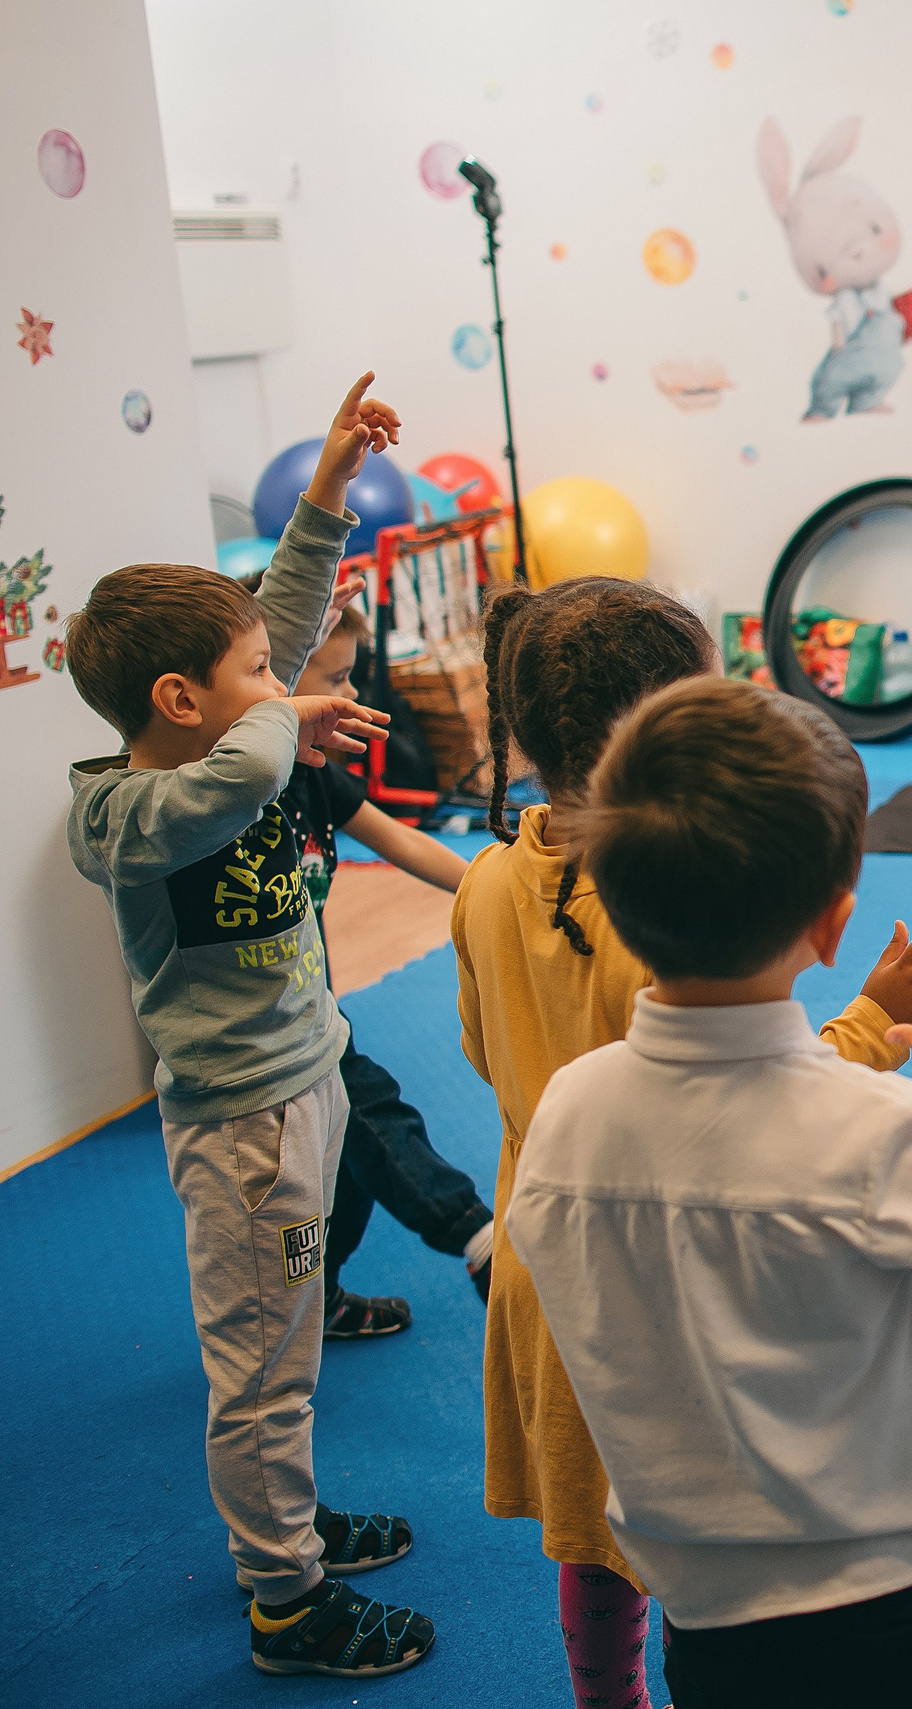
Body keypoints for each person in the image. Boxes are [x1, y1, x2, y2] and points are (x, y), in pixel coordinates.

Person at [509, 677, 912, 1709]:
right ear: (835, 926)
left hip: (712, 1622)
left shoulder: (565, 1115)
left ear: (610, 896)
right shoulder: (879, 1128)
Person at [456, 577, 912, 1709]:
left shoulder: (488, 880)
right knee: (699, 1511)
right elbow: (744, 1115)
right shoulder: (654, 908)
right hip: (665, 1266)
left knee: (595, 1536)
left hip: (548, 1257)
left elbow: (477, 1048)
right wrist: (873, 1018)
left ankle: (608, 1695)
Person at [63, 373, 437, 1679]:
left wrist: (329, 488)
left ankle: (293, 1522)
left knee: (288, 1359)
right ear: (178, 702)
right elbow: (239, 771)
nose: (276, 681)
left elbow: (273, 637)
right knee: (262, 1378)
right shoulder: (122, 813)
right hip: (241, 1130)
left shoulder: (238, 726)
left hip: (308, 1078)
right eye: (248, 677)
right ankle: (288, 1598)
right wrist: (284, 716)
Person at [265, 594, 493, 1338]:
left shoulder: (313, 776)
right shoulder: (240, 797)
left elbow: (401, 841)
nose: (355, 698)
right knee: (369, 1106)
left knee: (346, 1162)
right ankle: (477, 1235)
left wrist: (504, 890)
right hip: (266, 1034)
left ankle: (322, 1297)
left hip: (315, 1006)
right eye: (336, 679)